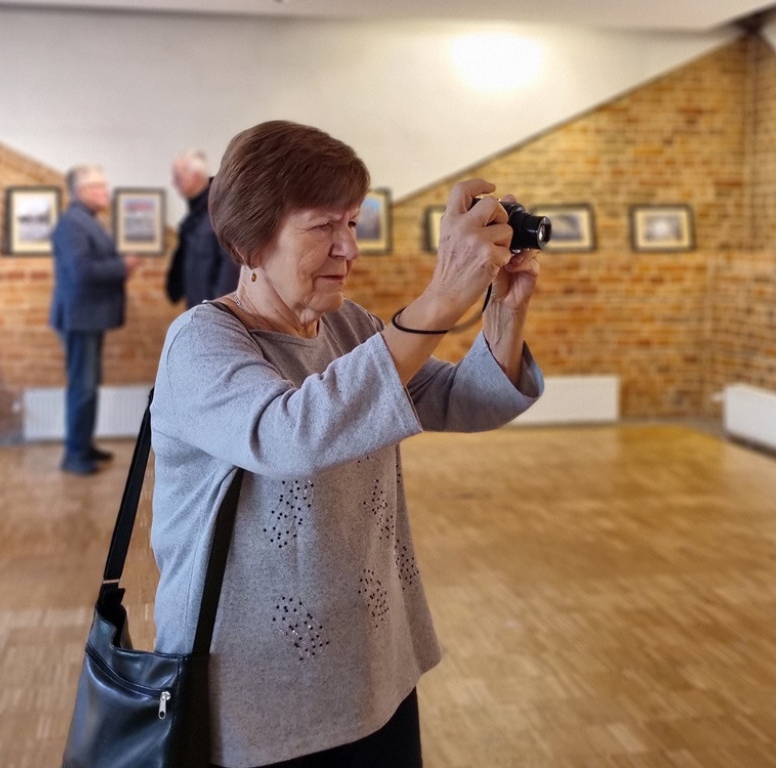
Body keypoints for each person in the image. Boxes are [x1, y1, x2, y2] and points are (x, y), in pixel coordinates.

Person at [149, 120, 544, 768]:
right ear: (249, 243)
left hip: (374, 668)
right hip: (256, 692)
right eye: (322, 227)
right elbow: (291, 435)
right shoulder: (202, 341)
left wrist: (505, 308)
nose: (348, 248)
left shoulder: (349, 325)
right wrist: (443, 296)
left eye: (353, 223)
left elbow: (465, 400)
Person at [49, 165, 139, 476]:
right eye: (100, 186)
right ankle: (74, 453)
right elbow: (82, 272)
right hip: (79, 317)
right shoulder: (73, 224)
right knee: (83, 387)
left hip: (88, 316)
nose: (106, 192)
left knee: (88, 385)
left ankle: (83, 445)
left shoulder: (85, 220)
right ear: (82, 191)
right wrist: (123, 266)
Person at [165, 149, 239, 308]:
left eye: (178, 177)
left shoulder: (218, 212)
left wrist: (220, 311)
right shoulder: (194, 218)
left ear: (197, 176)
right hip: (198, 309)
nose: (174, 183)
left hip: (215, 312)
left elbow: (230, 269)